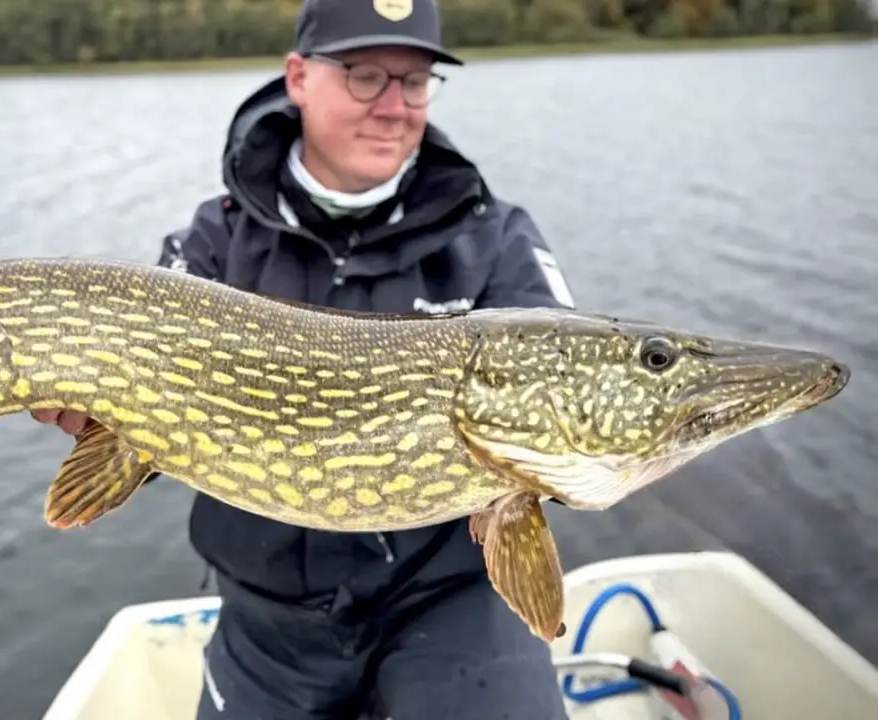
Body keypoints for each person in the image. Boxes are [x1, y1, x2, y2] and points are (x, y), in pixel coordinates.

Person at [33, 0, 577, 717]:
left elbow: (566, 411)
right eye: (364, 75)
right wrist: (105, 417)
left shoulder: (495, 237)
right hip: (270, 624)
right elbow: (149, 427)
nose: (393, 107)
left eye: (415, 82)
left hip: (448, 600)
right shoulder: (214, 242)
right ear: (298, 77)